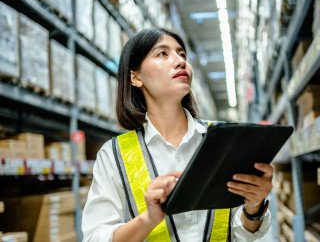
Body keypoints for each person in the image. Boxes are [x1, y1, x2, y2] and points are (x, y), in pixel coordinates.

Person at [82, 28, 274, 242]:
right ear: (135, 77)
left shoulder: (224, 139)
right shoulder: (114, 156)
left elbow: (241, 233)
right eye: (162, 54)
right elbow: (95, 237)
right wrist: (148, 219)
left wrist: (254, 206)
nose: (180, 61)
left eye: (182, 54)